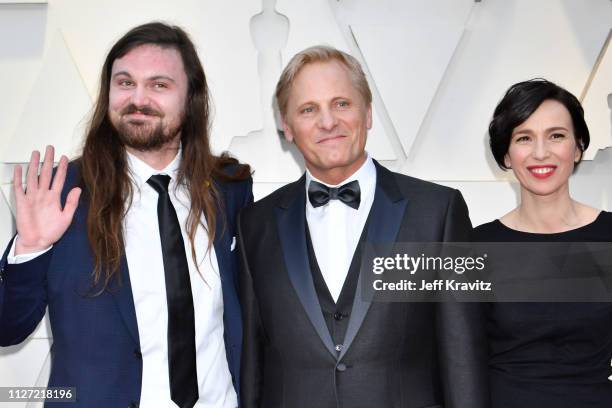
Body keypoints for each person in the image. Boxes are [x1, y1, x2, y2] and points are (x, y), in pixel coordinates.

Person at [0, 22, 252, 408]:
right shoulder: (61, 192)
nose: (138, 98)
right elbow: (7, 327)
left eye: (159, 85)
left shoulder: (229, 188)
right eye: (124, 82)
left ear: (191, 98)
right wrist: (31, 247)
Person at [238, 45, 488, 408]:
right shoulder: (254, 225)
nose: (328, 122)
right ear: (287, 127)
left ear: (368, 113)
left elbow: (462, 355)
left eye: (342, 103)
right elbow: (252, 362)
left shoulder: (438, 212)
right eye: (309, 109)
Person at [474, 78, 612, 407]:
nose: (540, 152)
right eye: (524, 138)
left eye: (556, 136)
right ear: (506, 154)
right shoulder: (474, 246)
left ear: (578, 147)